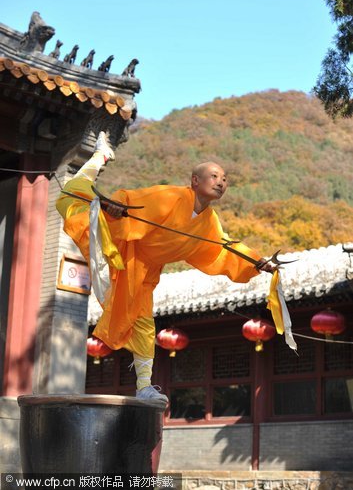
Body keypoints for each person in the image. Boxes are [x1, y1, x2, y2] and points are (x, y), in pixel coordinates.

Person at [56, 132, 275, 404]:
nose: (221, 182)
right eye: (215, 176)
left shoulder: (209, 222)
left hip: (144, 269)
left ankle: (144, 387)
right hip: (123, 243)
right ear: (195, 181)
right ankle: (99, 156)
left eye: (225, 179)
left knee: (144, 322)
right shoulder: (169, 196)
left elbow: (224, 247)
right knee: (71, 197)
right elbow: (129, 202)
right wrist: (114, 208)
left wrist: (257, 262)